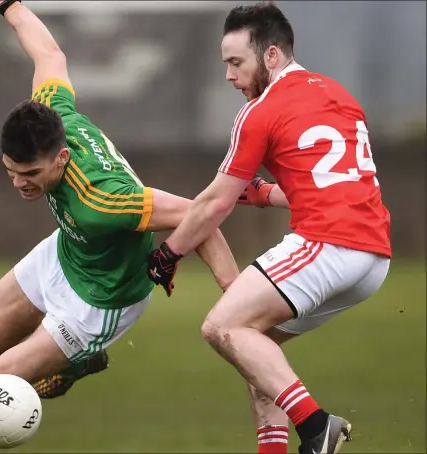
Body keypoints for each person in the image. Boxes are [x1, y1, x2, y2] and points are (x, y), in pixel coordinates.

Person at [0, 0, 238, 452]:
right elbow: (50, 56)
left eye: (30, 175)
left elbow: (199, 213)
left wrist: (234, 290)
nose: (18, 183)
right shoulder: (51, 112)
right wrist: (10, 7)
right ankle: (73, 360)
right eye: (10, 169)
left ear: (63, 158)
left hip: (101, 299)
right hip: (68, 251)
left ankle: (70, 356)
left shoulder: (103, 200)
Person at [147, 3, 391, 454]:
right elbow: (328, 183)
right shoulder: (339, 95)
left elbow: (215, 202)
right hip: (373, 258)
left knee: (221, 327)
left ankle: (316, 427)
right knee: (252, 348)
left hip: (328, 243)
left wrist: (168, 253)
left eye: (236, 62)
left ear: (272, 55)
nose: (229, 75)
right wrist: (265, 194)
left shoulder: (261, 110)